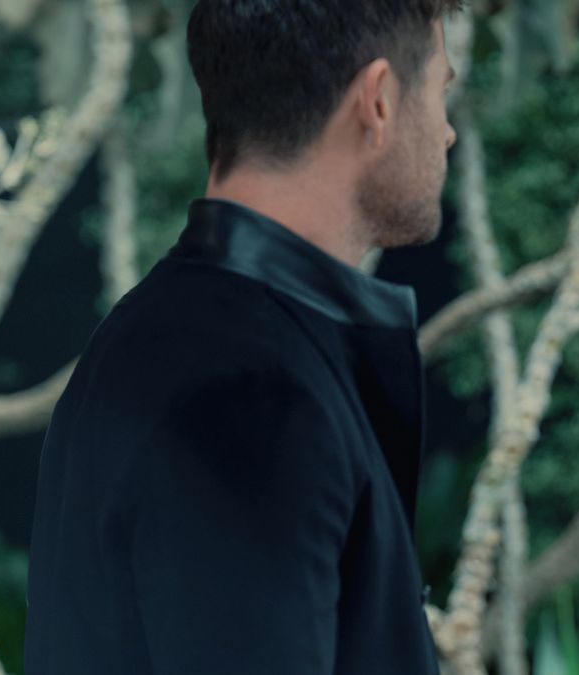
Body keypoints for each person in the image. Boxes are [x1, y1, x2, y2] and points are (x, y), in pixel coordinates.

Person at [24, 1, 461, 673]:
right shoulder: (251, 393)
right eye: (440, 91)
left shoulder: (170, 334)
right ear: (377, 100)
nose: (448, 132)